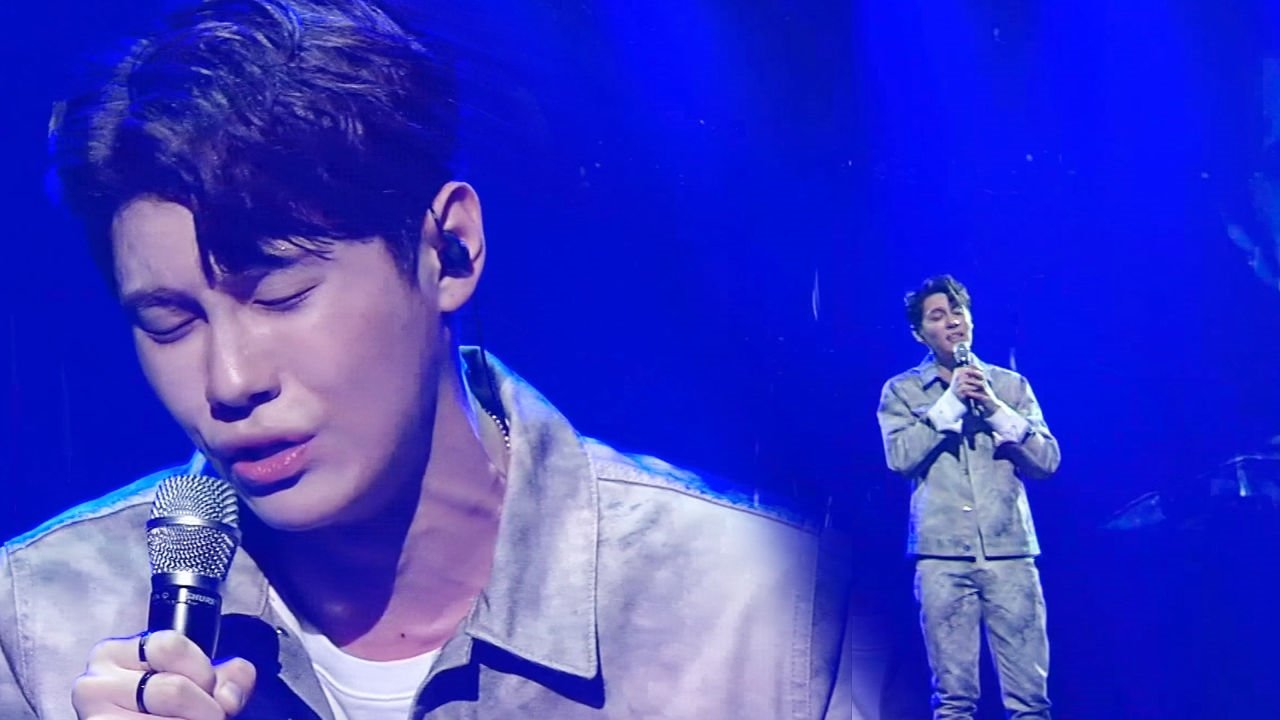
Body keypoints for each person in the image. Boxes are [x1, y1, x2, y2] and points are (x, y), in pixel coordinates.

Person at [0, 1, 851, 718]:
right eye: (170, 322)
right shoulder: (40, 623)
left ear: (450, 250)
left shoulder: (762, 608)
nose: (230, 382)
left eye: (281, 295)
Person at [875, 275, 1060, 720]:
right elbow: (899, 458)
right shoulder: (901, 391)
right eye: (938, 316)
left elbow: (1047, 461)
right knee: (954, 702)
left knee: (1030, 702)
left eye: (958, 312)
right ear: (920, 333)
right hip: (941, 557)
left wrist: (994, 408)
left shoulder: (1010, 386)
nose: (952, 322)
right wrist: (951, 404)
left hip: (1010, 554)